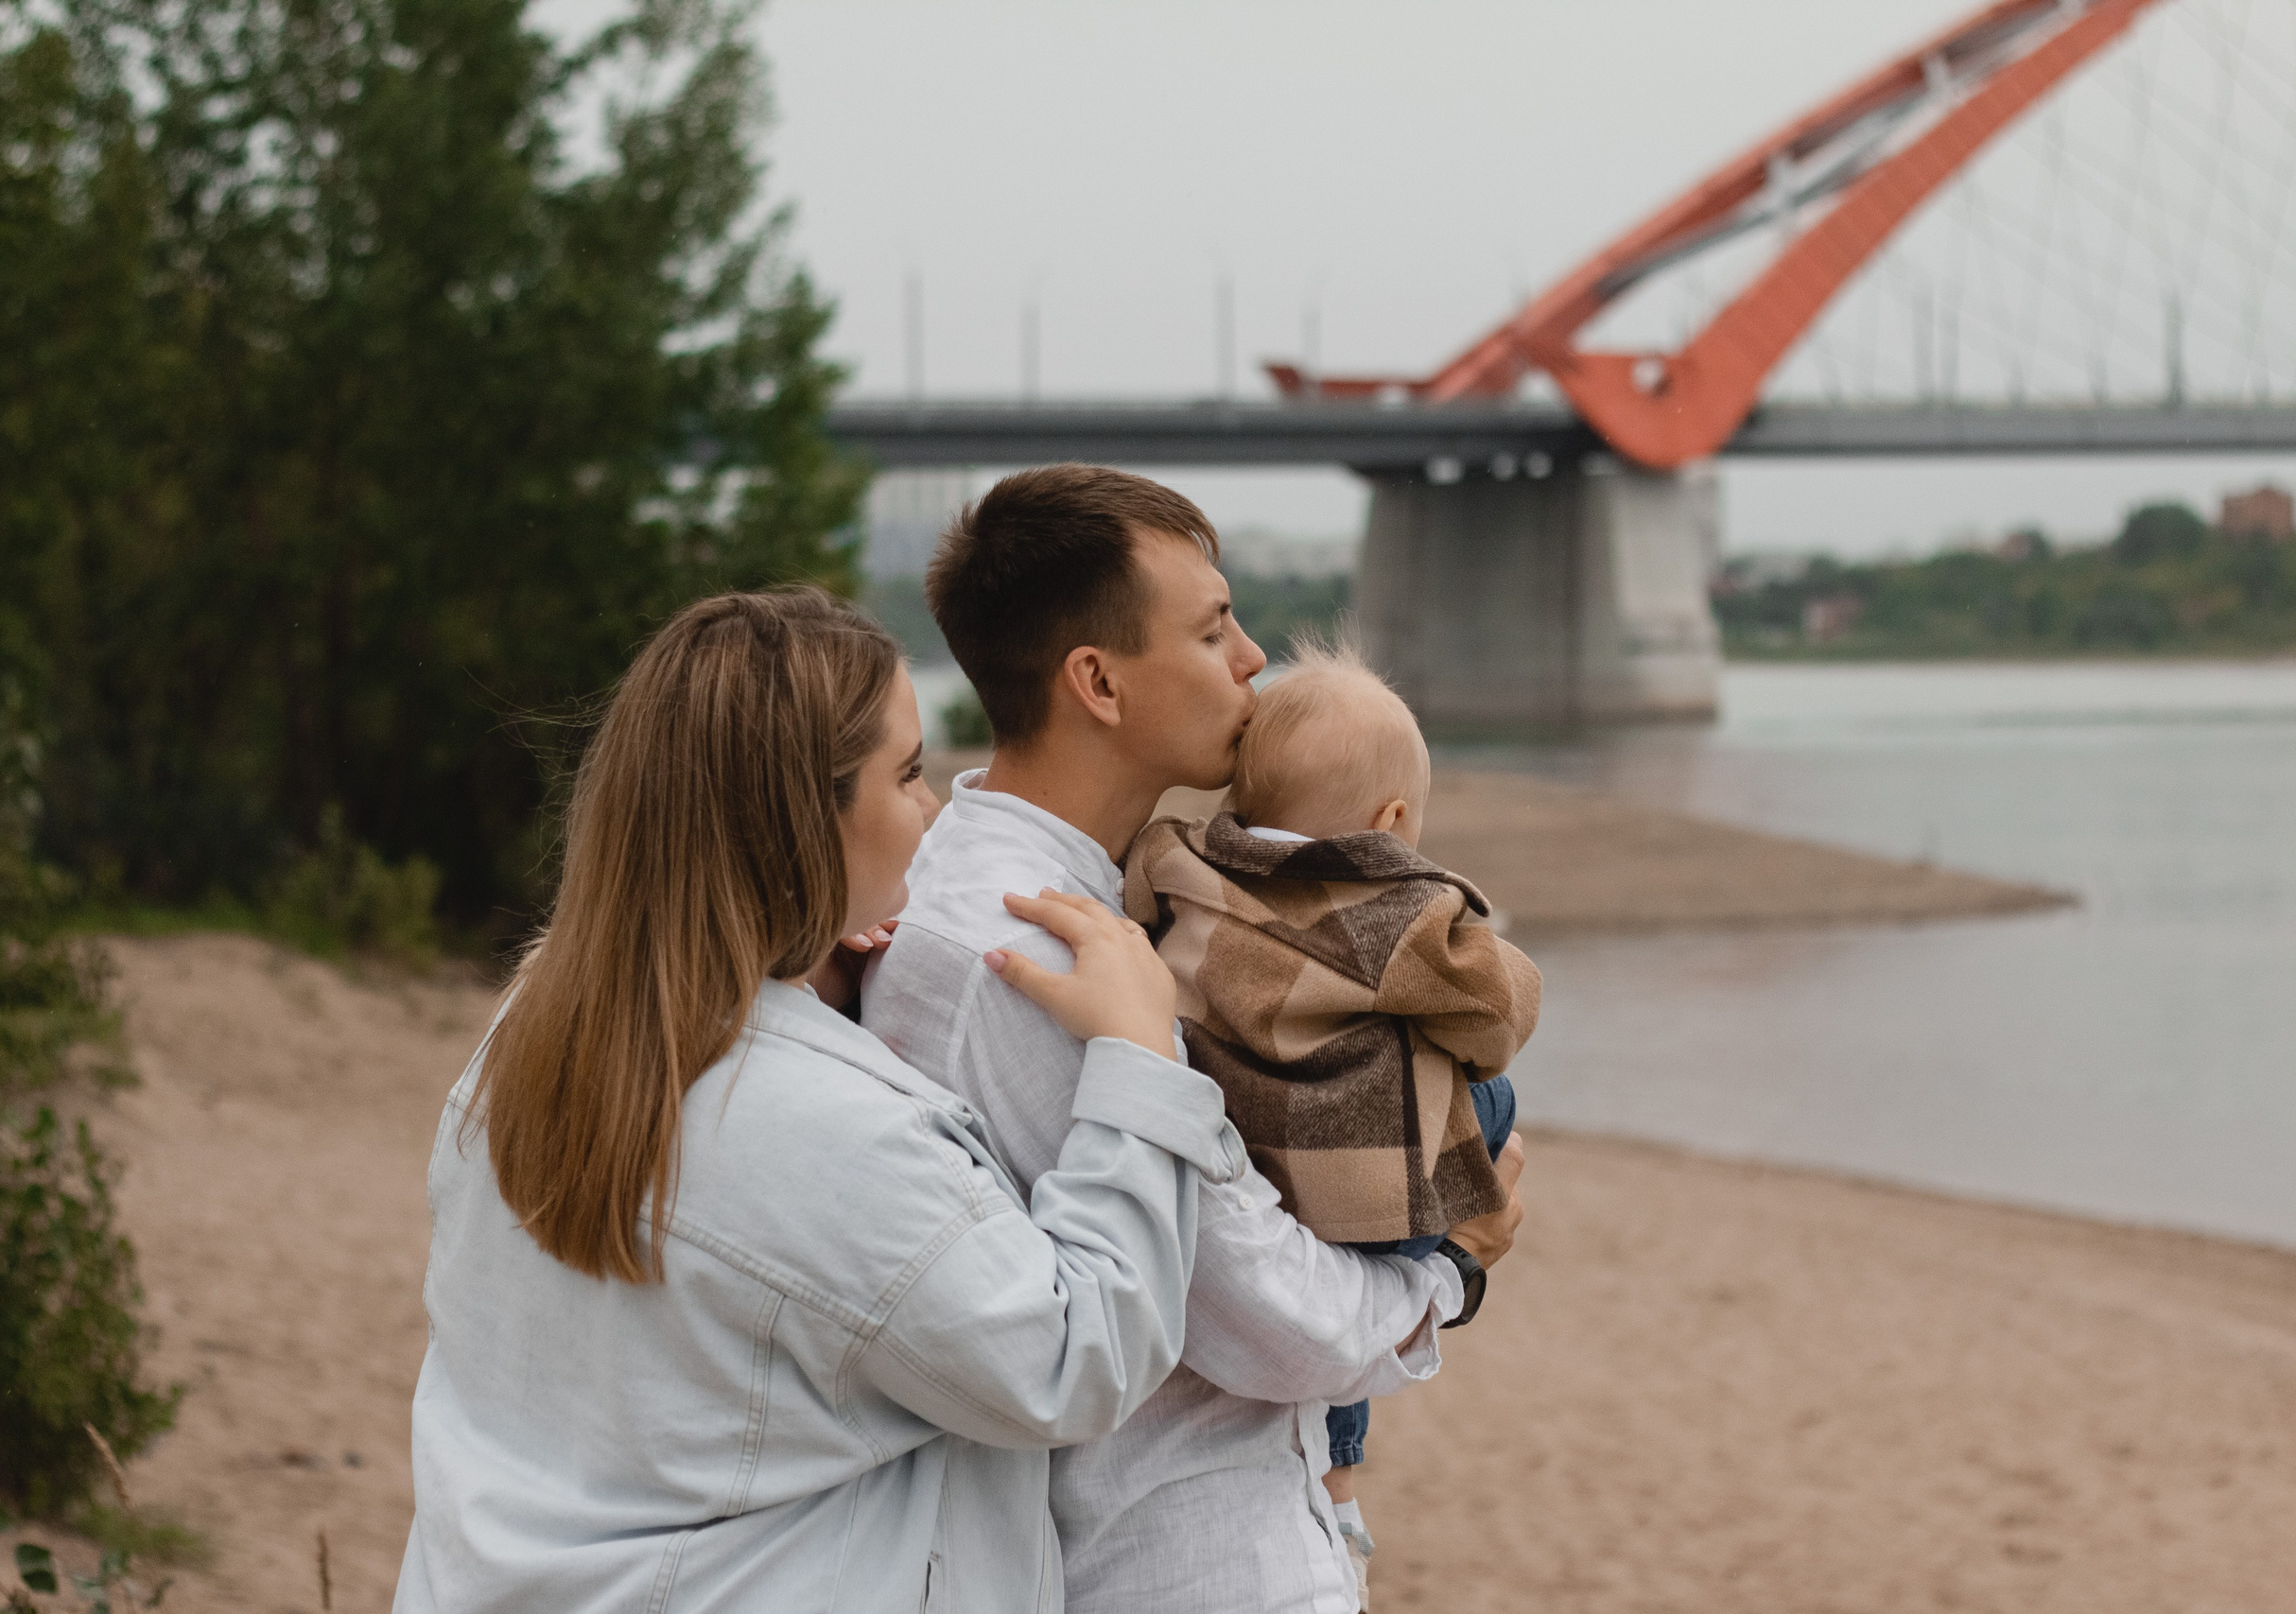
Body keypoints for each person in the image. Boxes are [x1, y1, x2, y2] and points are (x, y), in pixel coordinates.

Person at [394, 588, 1250, 1614]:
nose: (932, 807)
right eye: (904, 775)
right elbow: (1074, 1359)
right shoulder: (828, 1133)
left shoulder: (537, 1027)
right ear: (806, 823)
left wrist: (799, 982)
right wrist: (1137, 1053)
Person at [860, 466, 1528, 1614]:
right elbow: (1271, 1317)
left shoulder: (1058, 893)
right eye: (1213, 628)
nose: (1252, 658)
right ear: (1098, 682)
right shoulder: (1031, 947)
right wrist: (1453, 1269)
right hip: (1173, 1561)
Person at [1122, 640, 1542, 1597]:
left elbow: (1133, 904)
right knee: (1494, 1105)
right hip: (1357, 1181)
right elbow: (1499, 1012)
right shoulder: (1395, 911)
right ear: (1391, 820)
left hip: (1248, 1148)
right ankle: (1339, 1471)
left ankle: (1336, 1476)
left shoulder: (1173, 857)